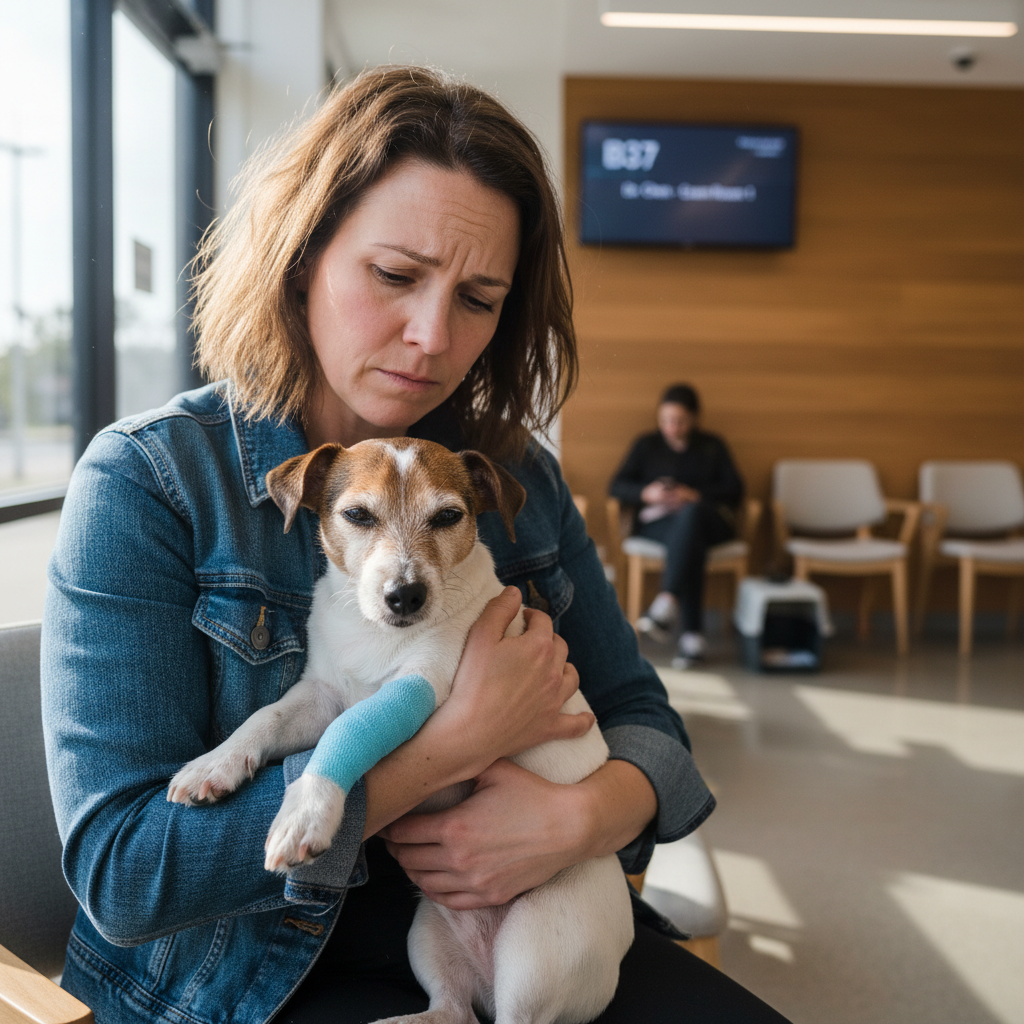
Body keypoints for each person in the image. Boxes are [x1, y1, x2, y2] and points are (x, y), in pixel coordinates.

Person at [42, 67, 788, 1024]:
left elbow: (655, 735)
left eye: (478, 299)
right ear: (302, 258)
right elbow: (128, 875)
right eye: (395, 276)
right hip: (246, 981)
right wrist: (450, 746)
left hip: (526, 920)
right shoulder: (149, 483)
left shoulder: (519, 479)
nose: (432, 337)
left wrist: (572, 820)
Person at [609, 384, 744, 668]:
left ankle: (668, 601)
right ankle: (692, 638)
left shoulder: (712, 445)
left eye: (680, 421)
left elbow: (735, 489)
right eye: (666, 420)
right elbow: (617, 486)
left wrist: (694, 495)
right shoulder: (646, 445)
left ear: (694, 419)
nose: (672, 427)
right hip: (658, 524)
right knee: (689, 541)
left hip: (709, 522)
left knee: (691, 519)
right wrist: (648, 493)